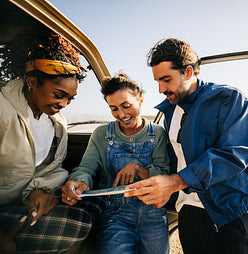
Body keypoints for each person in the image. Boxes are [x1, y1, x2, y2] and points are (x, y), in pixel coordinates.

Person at [125, 38, 248, 254]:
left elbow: (234, 154)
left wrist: (176, 182)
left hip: (227, 208)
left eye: (166, 79)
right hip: (188, 207)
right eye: (157, 81)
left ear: (189, 72)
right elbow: (179, 158)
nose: (160, 89)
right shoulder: (170, 110)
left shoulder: (229, 98)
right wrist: (167, 190)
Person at [0, 27, 92, 253]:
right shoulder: (3, 109)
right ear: (32, 81)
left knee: (87, 213)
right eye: (59, 95)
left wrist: (37, 192)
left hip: (20, 203)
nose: (64, 104)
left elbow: (47, 170)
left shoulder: (56, 122)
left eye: (70, 99)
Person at [62, 72, 171, 254]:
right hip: (115, 215)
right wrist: (80, 181)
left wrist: (138, 168)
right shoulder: (101, 134)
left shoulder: (158, 134)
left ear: (141, 101)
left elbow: (163, 174)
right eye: (113, 109)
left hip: (153, 213)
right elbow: (85, 169)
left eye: (126, 106)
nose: (121, 114)